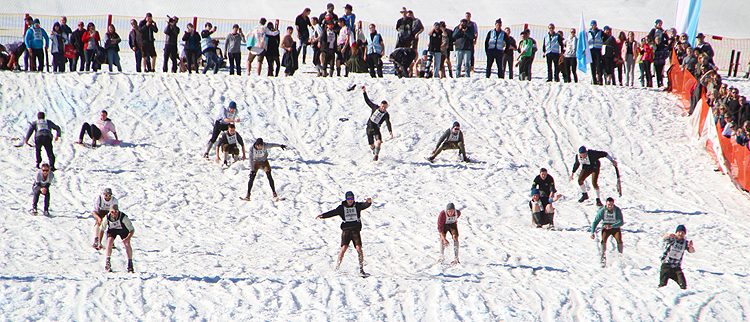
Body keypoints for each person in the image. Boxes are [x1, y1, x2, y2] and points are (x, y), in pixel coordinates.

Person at [315, 191, 373, 276]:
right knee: (344, 248)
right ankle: (337, 267)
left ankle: (361, 269)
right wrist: (323, 215)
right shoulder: (342, 207)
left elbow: (365, 205)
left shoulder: (357, 206)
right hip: (346, 230)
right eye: (349, 199)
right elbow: (333, 212)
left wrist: (368, 202)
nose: (350, 200)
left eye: (352, 198)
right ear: (346, 199)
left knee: (359, 249)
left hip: (355, 230)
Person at [658, 225, 695, 289]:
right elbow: (664, 237)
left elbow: (691, 251)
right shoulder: (672, 239)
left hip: (676, 266)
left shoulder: (685, 243)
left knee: (682, 284)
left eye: (682, 233)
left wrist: (690, 246)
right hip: (666, 264)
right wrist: (669, 235)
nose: (680, 234)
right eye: (679, 232)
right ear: (676, 232)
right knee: (662, 284)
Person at [361, 86, 393, 161]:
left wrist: (390, 130)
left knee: (378, 142)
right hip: (369, 128)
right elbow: (368, 101)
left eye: (385, 107)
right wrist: (364, 92)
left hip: (376, 129)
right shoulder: (375, 107)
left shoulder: (386, 114)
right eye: (382, 106)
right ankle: (374, 150)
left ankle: (376, 156)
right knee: (372, 145)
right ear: (380, 105)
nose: (383, 108)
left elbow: (388, 122)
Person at [101, 204, 135, 273]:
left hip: (123, 230)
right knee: (109, 242)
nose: (114, 214)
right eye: (112, 212)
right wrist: (99, 242)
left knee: (127, 244)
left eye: (116, 212)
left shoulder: (123, 217)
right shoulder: (107, 217)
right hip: (112, 230)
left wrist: (128, 238)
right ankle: (108, 263)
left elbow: (132, 230)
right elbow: (102, 229)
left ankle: (130, 264)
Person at [590, 197, 624, 266]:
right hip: (606, 228)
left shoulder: (617, 210)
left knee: (619, 240)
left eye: (611, 205)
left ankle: (620, 257)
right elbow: (595, 221)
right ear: (606, 204)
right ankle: (603, 257)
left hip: (615, 228)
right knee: (603, 239)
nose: (610, 206)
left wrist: (612, 226)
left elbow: (621, 222)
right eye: (608, 205)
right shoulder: (602, 211)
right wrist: (592, 232)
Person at [588, 20, 604, 85]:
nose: (593, 26)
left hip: (597, 49)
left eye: (594, 25)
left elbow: (604, 38)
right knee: (592, 65)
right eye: (592, 25)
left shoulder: (600, 32)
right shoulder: (588, 32)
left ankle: (599, 79)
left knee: (598, 65)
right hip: (591, 49)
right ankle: (593, 80)